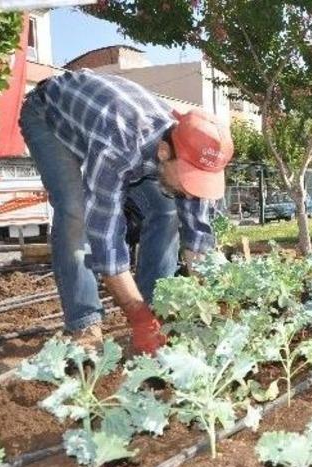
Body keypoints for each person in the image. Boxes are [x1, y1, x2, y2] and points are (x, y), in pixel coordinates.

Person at [19, 69, 233, 355]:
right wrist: (137, 315)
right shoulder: (118, 149)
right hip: (49, 115)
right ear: (163, 153)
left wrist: (207, 298)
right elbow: (106, 240)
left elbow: (197, 239)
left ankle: (157, 305)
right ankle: (84, 323)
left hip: (104, 120)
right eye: (187, 177)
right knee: (75, 213)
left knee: (168, 210)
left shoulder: (194, 150)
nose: (191, 190)